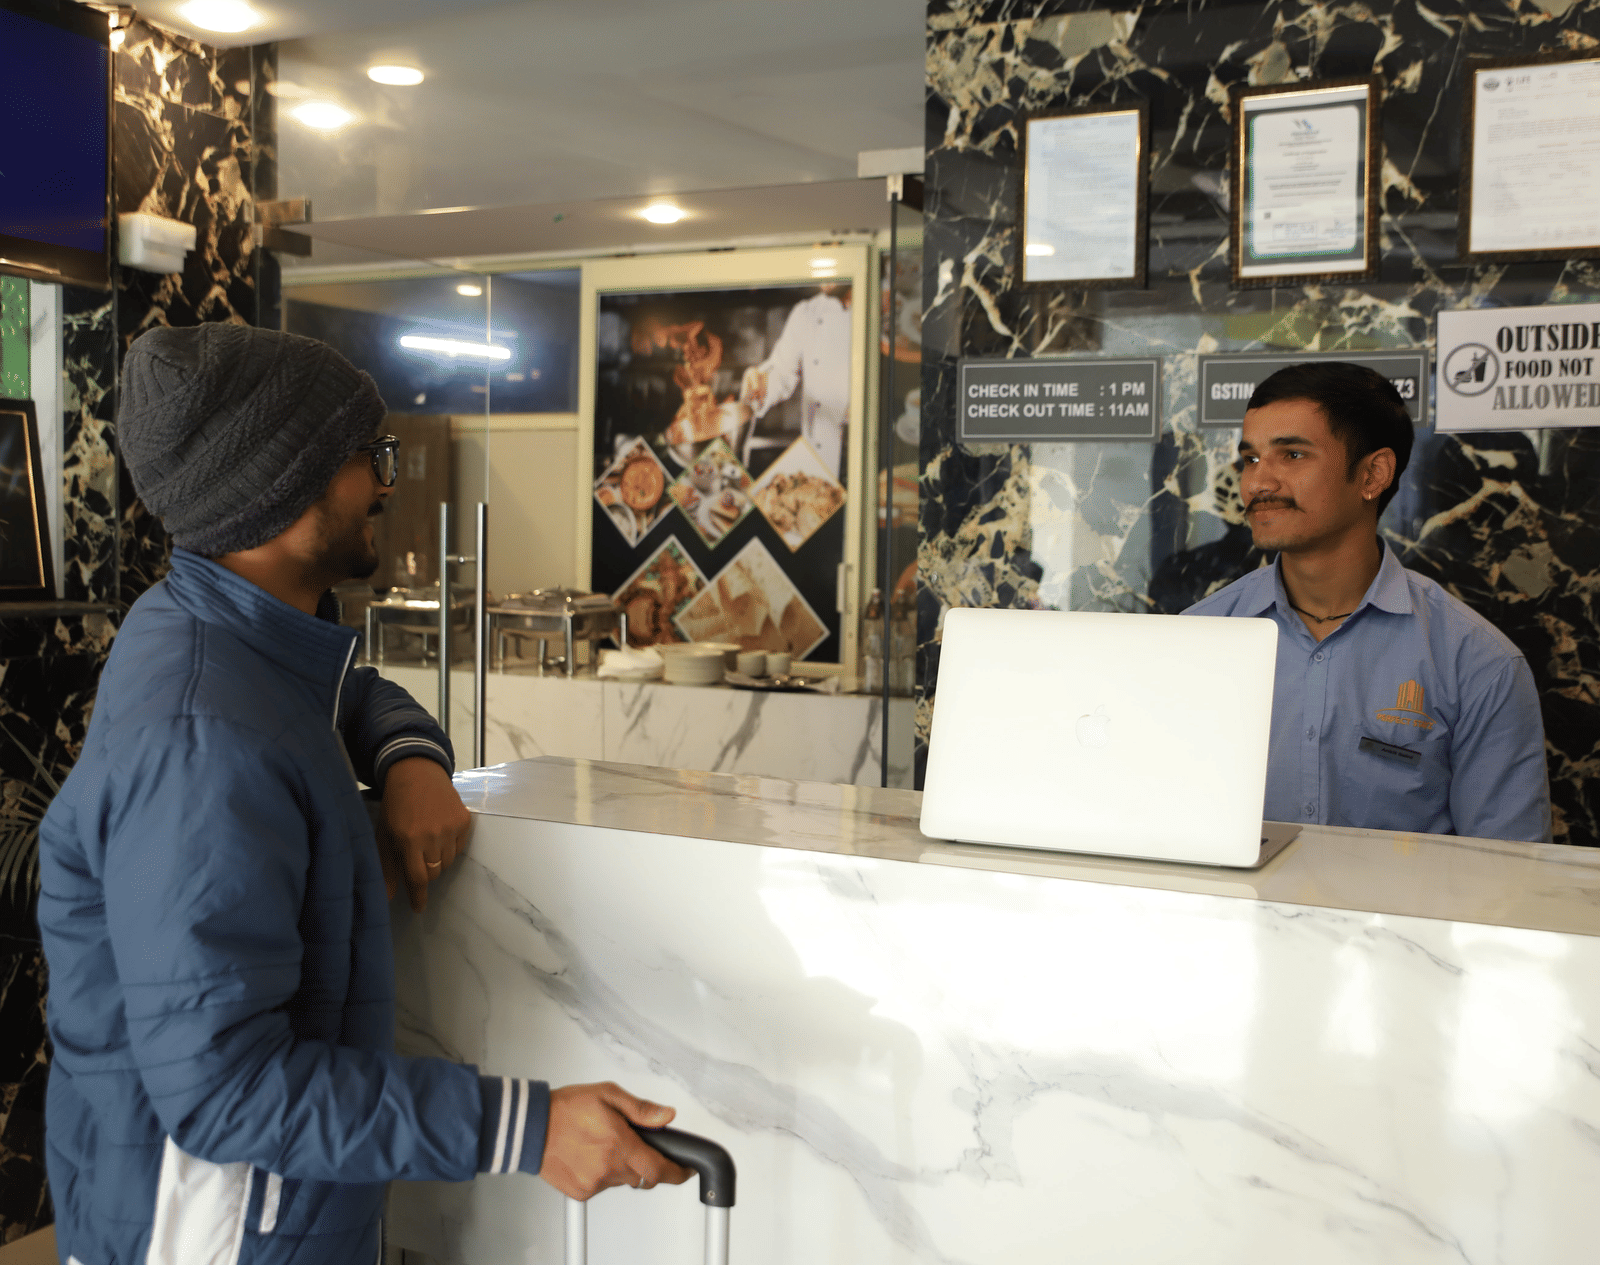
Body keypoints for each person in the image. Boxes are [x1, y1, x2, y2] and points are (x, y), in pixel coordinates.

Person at [37, 324, 688, 1265]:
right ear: (281, 481)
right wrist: (525, 1128)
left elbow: (348, 692)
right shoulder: (205, 740)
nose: (388, 479)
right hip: (217, 1232)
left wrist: (409, 756)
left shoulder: (221, 634)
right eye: (368, 456)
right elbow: (227, 1092)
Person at [1183, 360, 1551, 842]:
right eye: (1251, 458)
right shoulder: (1197, 639)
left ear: (1373, 474)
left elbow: (1509, 876)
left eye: (1292, 455)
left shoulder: (1479, 663)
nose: (1257, 483)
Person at [739, 283, 852, 476]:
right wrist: (761, 385)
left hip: (871, 445)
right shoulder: (807, 313)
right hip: (822, 453)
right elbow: (782, 371)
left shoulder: (884, 301)